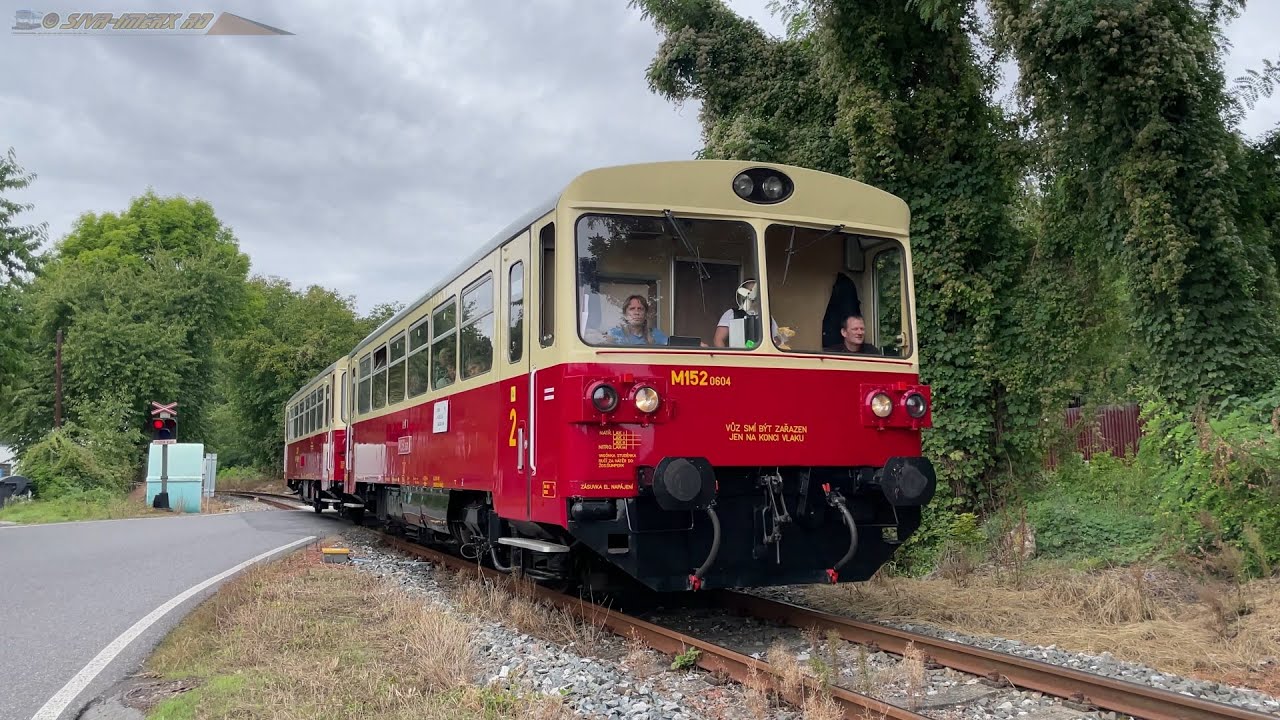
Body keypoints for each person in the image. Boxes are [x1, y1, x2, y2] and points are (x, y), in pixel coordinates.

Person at [713, 279, 780, 348]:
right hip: (737, 356)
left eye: (755, 292)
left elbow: (776, 341)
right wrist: (726, 358)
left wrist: (782, 337)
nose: (753, 295)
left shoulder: (766, 316)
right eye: (750, 291)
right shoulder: (732, 313)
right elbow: (718, 340)